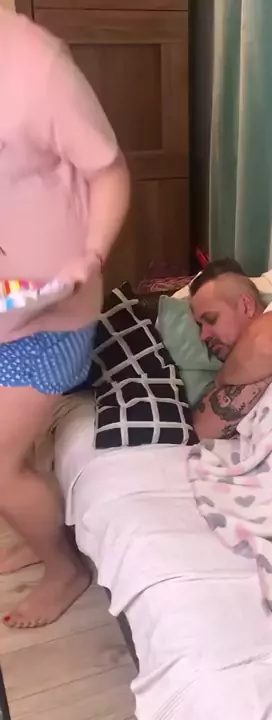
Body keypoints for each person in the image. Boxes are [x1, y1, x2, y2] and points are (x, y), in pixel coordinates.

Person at [0, 8, 130, 629]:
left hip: (47, 313)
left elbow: (109, 171)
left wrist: (91, 255)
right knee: (14, 463)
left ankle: (64, 569)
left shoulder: (35, 66)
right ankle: (39, 531)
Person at [189, 258, 272, 440]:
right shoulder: (232, 374)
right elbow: (201, 430)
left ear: (247, 305)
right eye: (200, 326)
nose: (203, 335)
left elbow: (269, 348)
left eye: (211, 319)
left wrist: (222, 379)